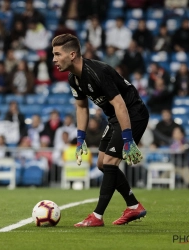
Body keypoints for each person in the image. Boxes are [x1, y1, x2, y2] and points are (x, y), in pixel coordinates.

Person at [52, 34, 149, 227]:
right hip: (115, 117)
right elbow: (81, 107)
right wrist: (80, 139)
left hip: (132, 113)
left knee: (111, 162)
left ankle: (97, 216)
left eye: (57, 54)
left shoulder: (98, 72)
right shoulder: (73, 78)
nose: (54, 59)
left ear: (72, 54)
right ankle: (133, 206)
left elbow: (120, 105)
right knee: (102, 164)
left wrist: (128, 140)